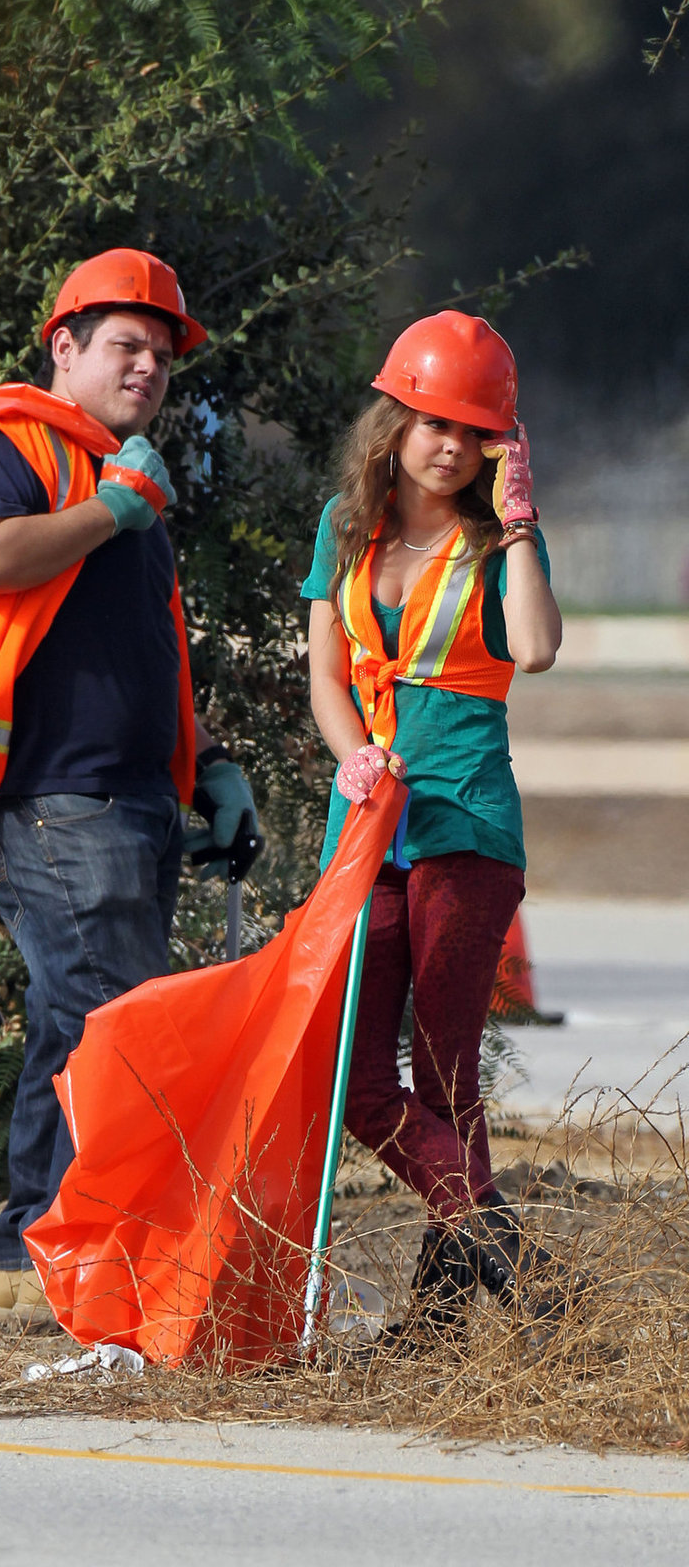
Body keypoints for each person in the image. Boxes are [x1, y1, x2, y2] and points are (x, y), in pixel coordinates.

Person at [0, 248, 260, 1330]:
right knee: (117, 1028)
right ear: (62, 348)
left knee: (75, 1027)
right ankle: (98, 1271)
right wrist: (111, 511)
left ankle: (28, 1265)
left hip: (133, 801)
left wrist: (208, 768)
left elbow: (145, 649)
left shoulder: (128, 478)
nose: (147, 368)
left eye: (161, 355)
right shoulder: (15, 446)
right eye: (125, 346)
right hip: (54, 797)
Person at [301, 310, 572, 1345]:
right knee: (359, 1080)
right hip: (366, 822)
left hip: (465, 820)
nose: (448, 443)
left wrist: (518, 523)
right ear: (395, 421)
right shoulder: (342, 526)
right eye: (431, 421)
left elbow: (539, 649)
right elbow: (326, 674)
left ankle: (442, 1319)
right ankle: (513, 1253)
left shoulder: (496, 541)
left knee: (445, 1071)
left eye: (473, 429)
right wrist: (347, 757)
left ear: (494, 446)